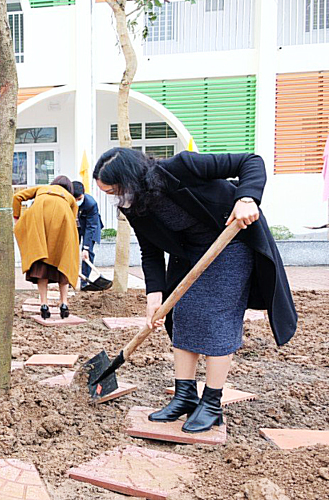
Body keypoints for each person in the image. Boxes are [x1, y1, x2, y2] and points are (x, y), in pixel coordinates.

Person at [93, 147, 297, 433]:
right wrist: (154, 297)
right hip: (190, 256)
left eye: (115, 190)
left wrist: (247, 197)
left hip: (232, 243)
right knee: (182, 316)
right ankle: (185, 396)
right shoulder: (135, 204)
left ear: (132, 178)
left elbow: (249, 160)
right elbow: (151, 252)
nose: (116, 198)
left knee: (216, 318)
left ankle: (212, 404)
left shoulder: (183, 166)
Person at [13, 175, 80, 320]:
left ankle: (44, 304)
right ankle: (64, 303)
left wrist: (17, 217)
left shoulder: (42, 189)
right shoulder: (71, 200)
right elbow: (72, 224)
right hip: (61, 238)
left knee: (41, 268)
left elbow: (17, 197)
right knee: (64, 267)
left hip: (40, 233)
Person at [72, 180, 103, 287]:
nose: (76, 201)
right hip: (74, 227)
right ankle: (70, 280)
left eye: (79, 199)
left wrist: (85, 247)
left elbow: (91, 226)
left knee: (87, 254)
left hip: (89, 227)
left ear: (83, 195)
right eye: (74, 199)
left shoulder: (91, 204)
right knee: (70, 251)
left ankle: (84, 282)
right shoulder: (66, 201)